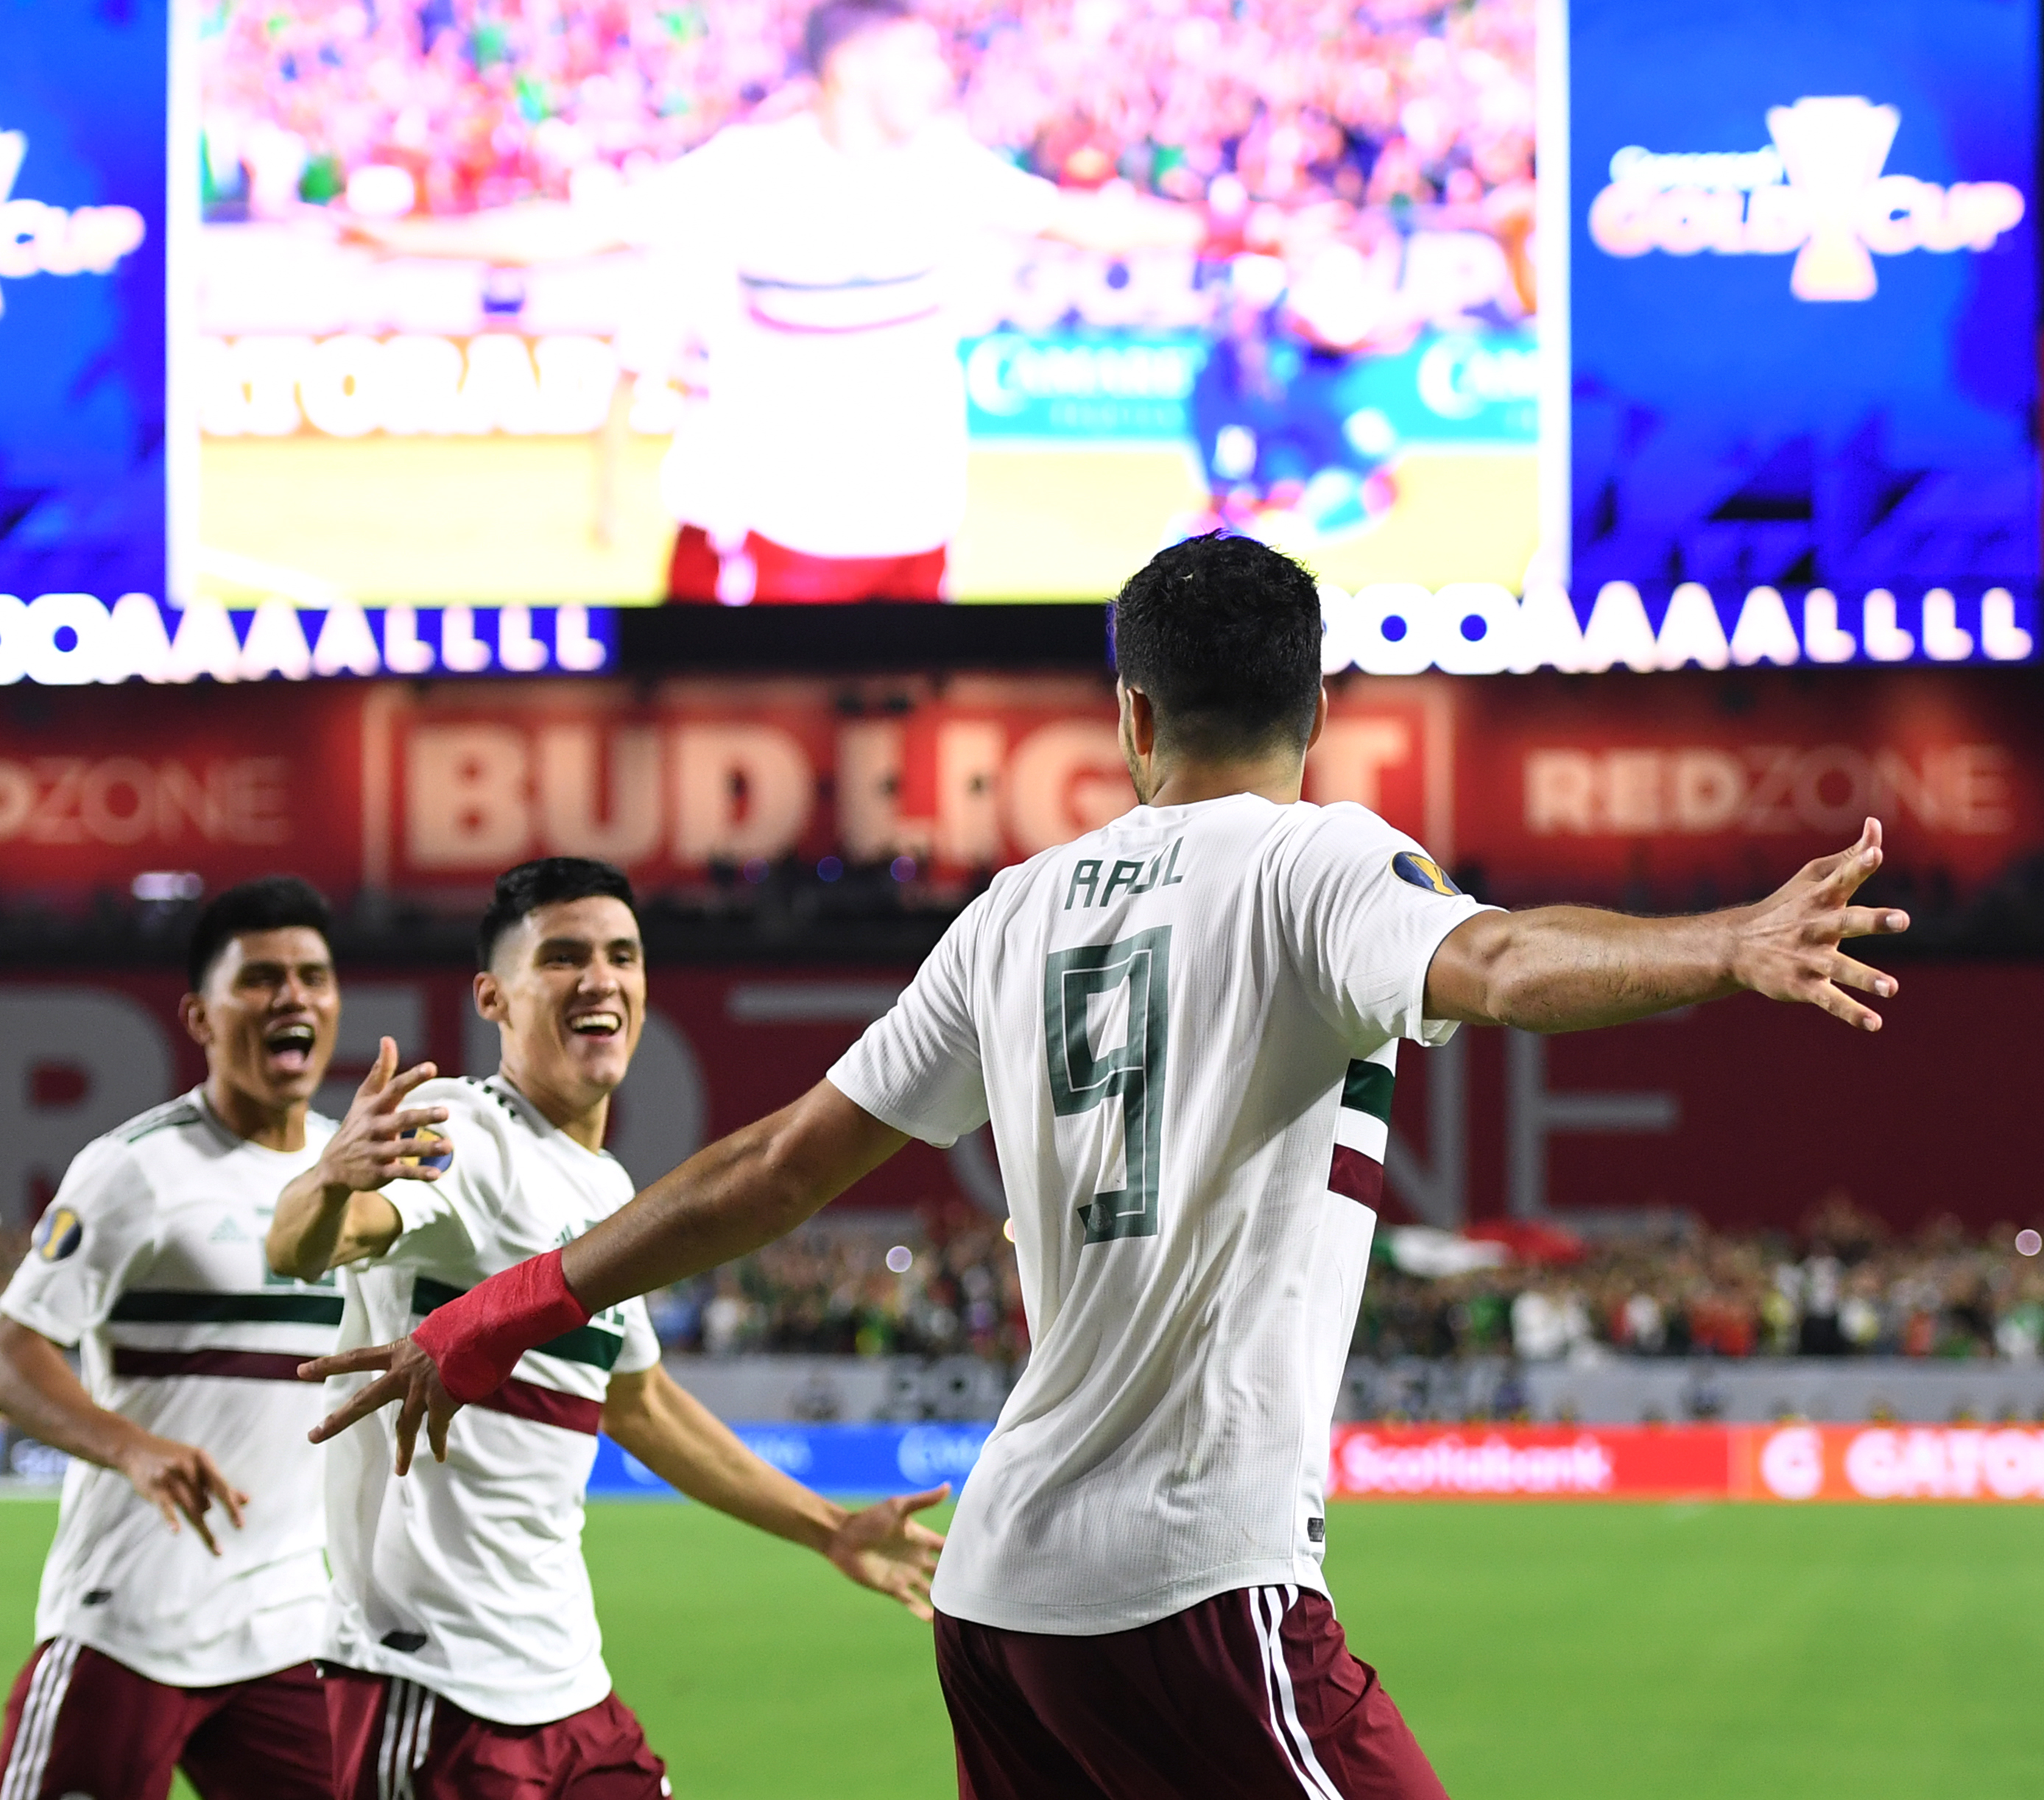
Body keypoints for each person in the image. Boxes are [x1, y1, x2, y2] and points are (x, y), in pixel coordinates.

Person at [307, 534, 1911, 1800]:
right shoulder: (1323, 860)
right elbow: (1495, 963)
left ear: (1132, 716)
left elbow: (780, 1164)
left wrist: (513, 1299)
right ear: (1320, 710)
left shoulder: (1014, 909)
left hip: (1003, 1607)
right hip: (1192, 1578)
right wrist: (1731, 942)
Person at [266, 857, 948, 1800]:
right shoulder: (464, 1133)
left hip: (566, 1687)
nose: (600, 978)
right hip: (434, 1693)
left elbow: (642, 1405)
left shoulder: (604, 1192)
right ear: (492, 997)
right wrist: (323, 1181)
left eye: (621, 955)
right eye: (563, 957)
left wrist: (828, 1526)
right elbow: (311, 1245)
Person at [345, 0, 1201, 604]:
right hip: (780, 535)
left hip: (916, 530)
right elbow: (575, 231)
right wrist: (400, 237)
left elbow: (1085, 223)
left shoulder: (948, 166)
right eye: (917, 56)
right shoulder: (746, 172)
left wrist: (1230, 232)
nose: (940, 76)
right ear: (851, 66)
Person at [0, 875, 451, 1800]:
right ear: (198, 1014)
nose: (292, 997)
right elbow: (6, 1356)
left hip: (287, 1628)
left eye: (312, 976)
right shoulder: (135, 1169)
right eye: (261, 977)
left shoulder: (356, 1179)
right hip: (131, 1618)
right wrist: (137, 1450)